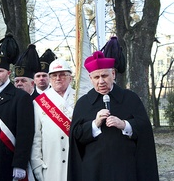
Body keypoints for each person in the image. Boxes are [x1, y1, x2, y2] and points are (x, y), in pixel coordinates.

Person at [68, 51, 159, 181]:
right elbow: (76, 136)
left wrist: (124, 125)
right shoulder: (83, 103)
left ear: (113, 74)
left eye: (105, 76)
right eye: (96, 77)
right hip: (94, 170)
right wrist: (95, 124)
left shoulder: (130, 98)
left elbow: (144, 129)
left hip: (125, 168)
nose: (101, 81)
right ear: (90, 78)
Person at [0, 34, 35, 181]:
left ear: (8, 73)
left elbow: (25, 133)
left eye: (0, 71)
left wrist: (20, 163)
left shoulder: (20, 97)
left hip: (8, 159)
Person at [31, 58, 76, 181]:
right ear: (50, 79)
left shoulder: (80, 97)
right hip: (51, 162)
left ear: (70, 78)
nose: (58, 78)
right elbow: (36, 136)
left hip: (76, 160)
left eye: (62, 75)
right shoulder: (39, 102)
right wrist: (37, 163)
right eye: (54, 75)